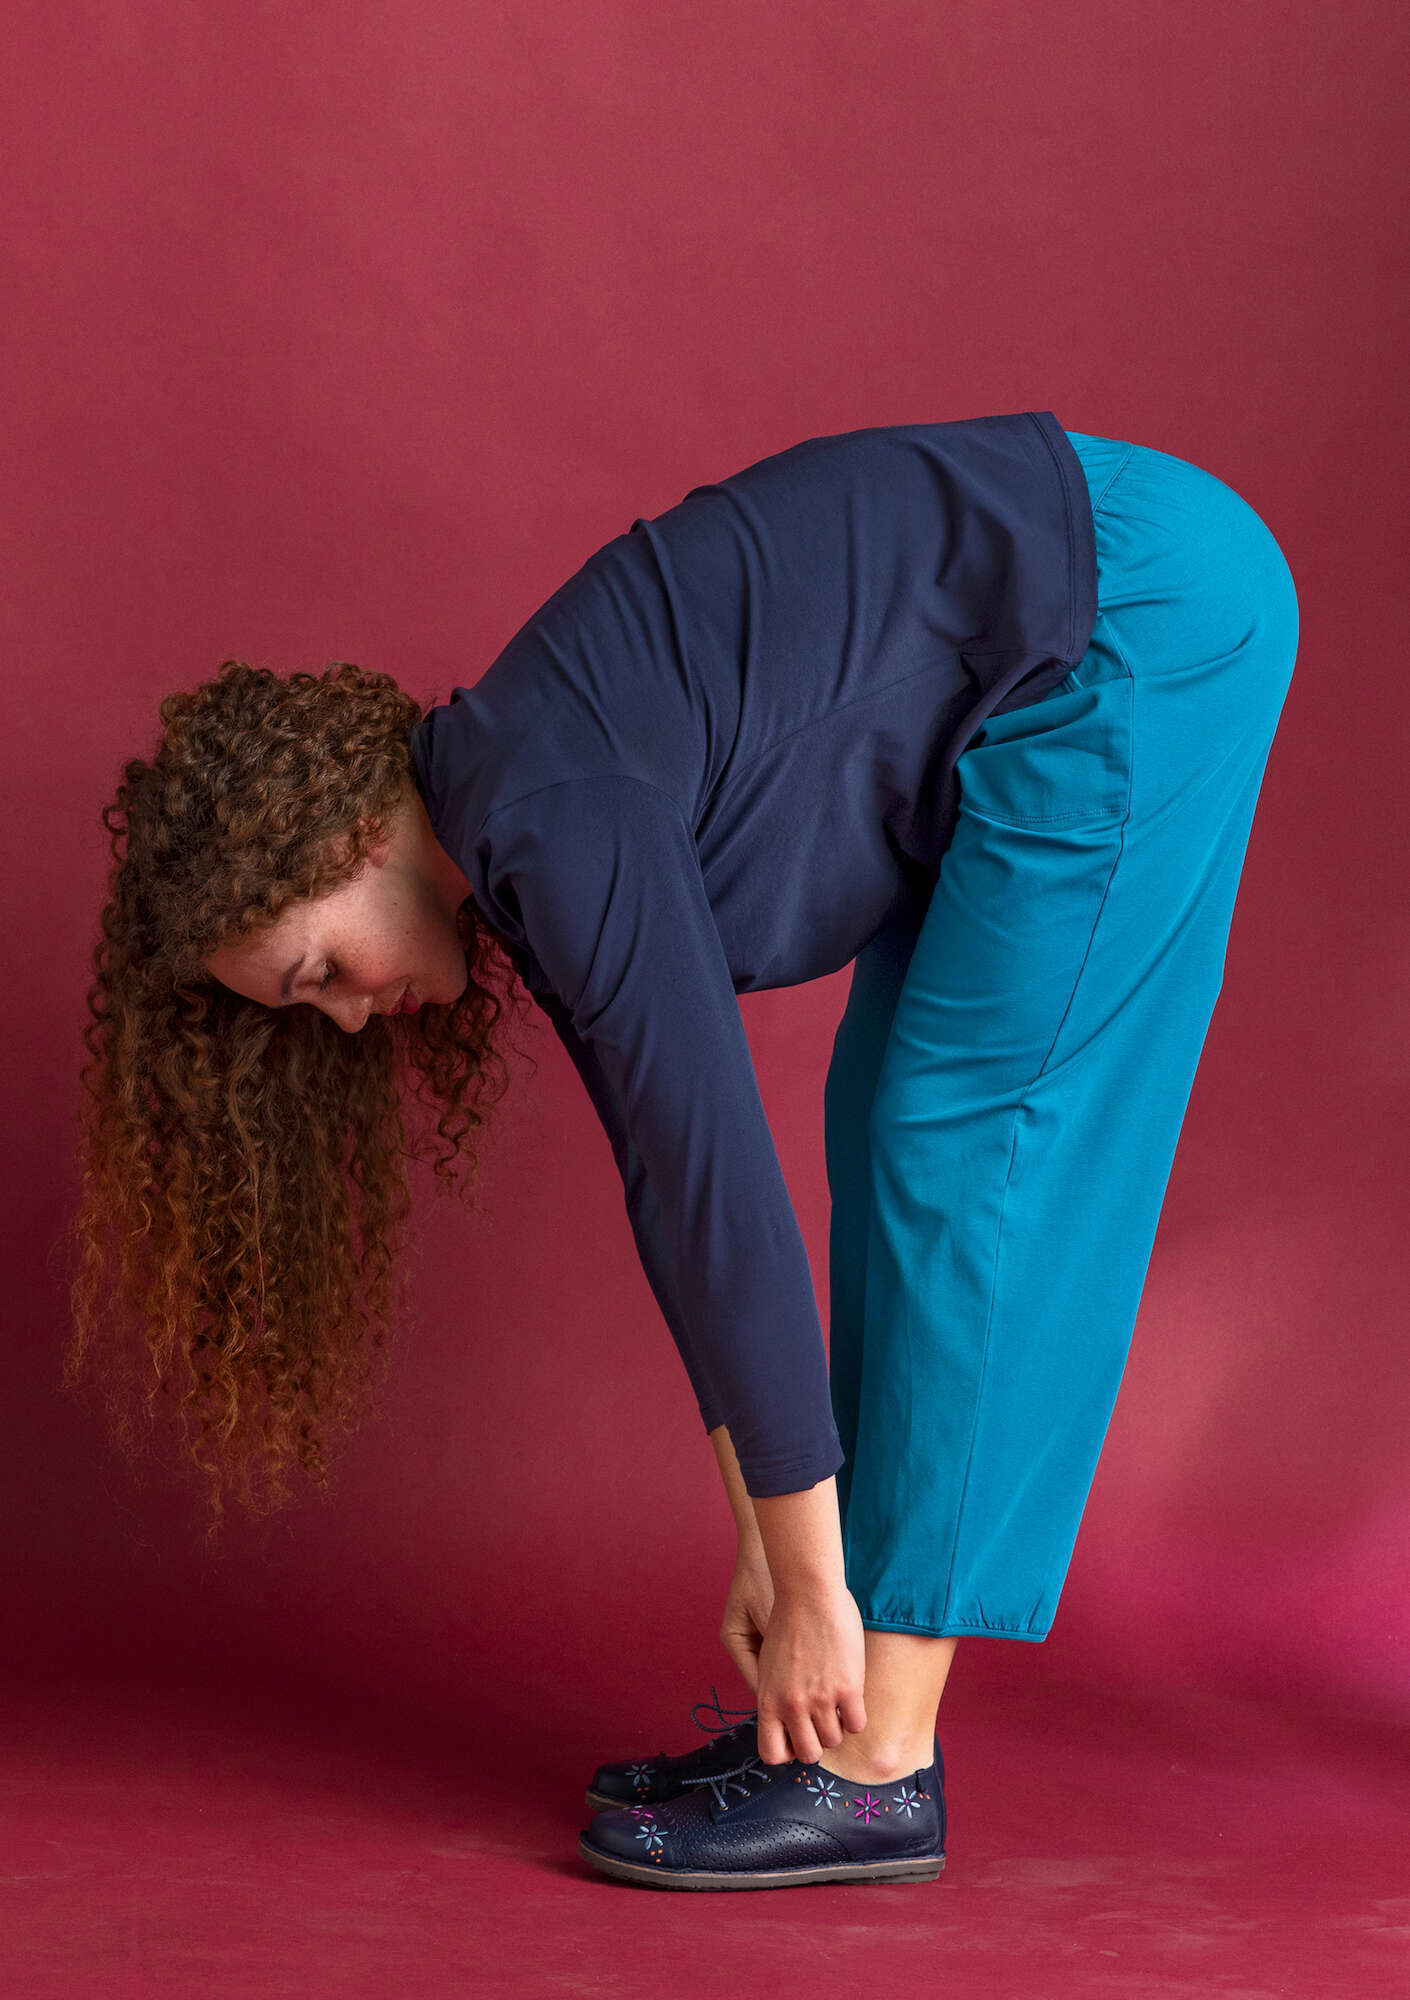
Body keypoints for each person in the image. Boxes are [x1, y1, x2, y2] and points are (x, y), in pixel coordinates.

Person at [64, 414, 1298, 1892]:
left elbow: (714, 1188)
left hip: (1129, 617)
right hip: (1065, 624)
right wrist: (772, 1542)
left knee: (974, 1148)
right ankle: (831, 1727)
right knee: (885, 1122)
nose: (341, 1019)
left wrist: (812, 1578)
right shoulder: (519, 824)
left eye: (317, 970)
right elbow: (674, 1195)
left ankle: (874, 1764)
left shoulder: (548, 814)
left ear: (341, 843)